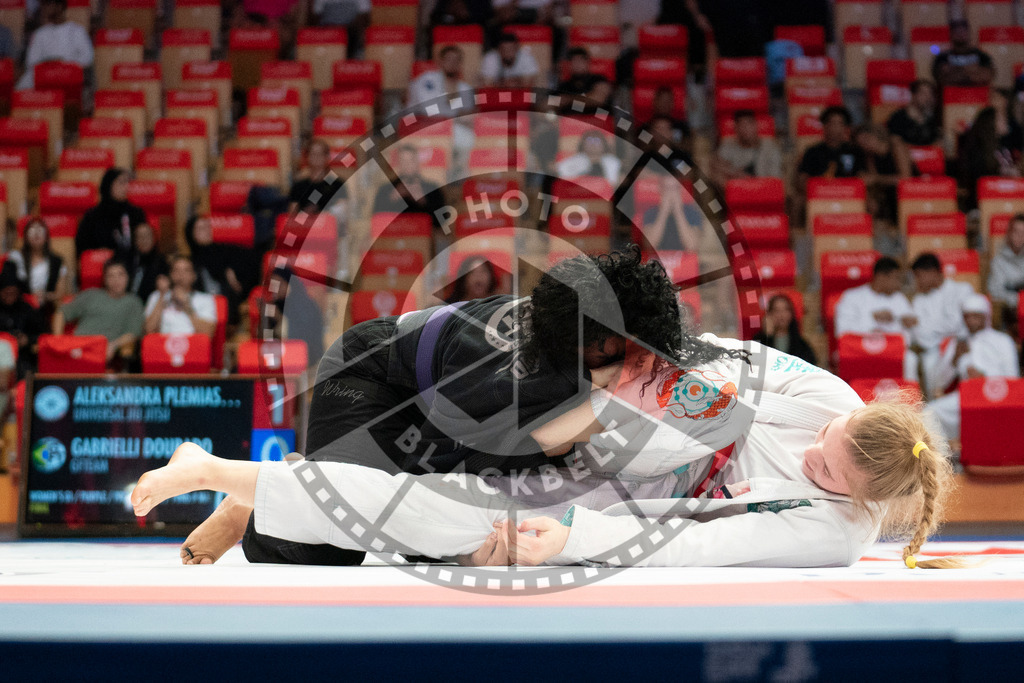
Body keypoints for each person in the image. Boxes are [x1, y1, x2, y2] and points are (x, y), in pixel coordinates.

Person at [134, 333, 957, 570]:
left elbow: (705, 540)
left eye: (826, 466)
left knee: (451, 519)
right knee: (484, 419)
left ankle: (230, 480)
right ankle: (232, 480)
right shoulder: (832, 403)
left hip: (636, 504)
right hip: (653, 420)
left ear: (856, 496)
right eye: (828, 439)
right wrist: (619, 373)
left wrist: (571, 542)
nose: (815, 447)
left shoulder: (831, 532)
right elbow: (718, 362)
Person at [166, 246, 744, 566]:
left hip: (432, 381)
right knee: (337, 541)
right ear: (582, 344)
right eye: (621, 356)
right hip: (369, 376)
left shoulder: (578, 321)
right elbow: (453, 466)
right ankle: (256, 505)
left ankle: (304, 477)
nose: (631, 367)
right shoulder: (525, 376)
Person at [926, 294, 1019, 440]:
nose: (971, 320)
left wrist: (985, 378)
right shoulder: (958, 342)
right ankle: (942, 460)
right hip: (967, 397)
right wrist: (955, 358)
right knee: (929, 412)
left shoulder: (1003, 341)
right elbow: (938, 383)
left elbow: (1013, 379)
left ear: (986, 317)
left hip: (996, 397)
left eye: (976, 316)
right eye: (967, 316)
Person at [834, 256, 918, 381]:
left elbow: (908, 335)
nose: (899, 284)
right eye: (896, 279)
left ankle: (908, 399)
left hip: (892, 350)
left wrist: (906, 324)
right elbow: (841, 331)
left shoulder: (899, 299)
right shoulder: (852, 297)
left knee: (910, 359)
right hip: (858, 350)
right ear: (881, 277)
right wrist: (872, 318)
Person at [52, 258, 144, 368]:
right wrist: (57, 341)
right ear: (105, 279)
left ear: (128, 277)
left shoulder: (133, 302)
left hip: (102, 350)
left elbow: (133, 334)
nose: (116, 280)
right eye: (111, 276)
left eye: (120, 275)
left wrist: (113, 345)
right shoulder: (91, 294)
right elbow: (61, 313)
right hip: (76, 346)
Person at [908, 253, 976, 396]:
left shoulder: (962, 289)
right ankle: (935, 404)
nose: (917, 281)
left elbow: (958, 323)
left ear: (932, 272)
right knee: (929, 363)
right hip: (934, 347)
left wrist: (926, 324)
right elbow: (920, 334)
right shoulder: (920, 299)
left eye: (919, 276)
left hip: (964, 342)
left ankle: (968, 399)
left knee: (964, 358)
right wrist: (940, 328)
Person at [183, 216, 259, 326]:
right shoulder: (188, 262)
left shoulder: (224, 250)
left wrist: (233, 270)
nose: (206, 231)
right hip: (198, 310)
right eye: (200, 228)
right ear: (191, 233)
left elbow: (253, 260)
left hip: (227, 305)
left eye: (207, 227)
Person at [16, 0, 93, 90]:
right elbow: (31, 61)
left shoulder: (77, 31)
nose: (45, 9)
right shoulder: (40, 33)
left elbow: (87, 58)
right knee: (24, 85)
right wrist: (49, 63)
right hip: (45, 75)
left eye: (48, 5)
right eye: (44, 6)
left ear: (60, 7)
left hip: (68, 74)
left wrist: (63, 63)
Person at [75, 168, 147, 260]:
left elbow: (144, 243)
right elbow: (83, 246)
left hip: (131, 264)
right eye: (121, 183)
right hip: (101, 264)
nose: (126, 187)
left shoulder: (136, 213)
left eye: (127, 183)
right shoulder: (93, 216)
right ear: (109, 185)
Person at [853, 123, 914, 224]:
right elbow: (874, 182)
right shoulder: (870, 157)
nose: (865, 145)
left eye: (866, 139)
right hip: (887, 194)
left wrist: (875, 179)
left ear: (875, 134)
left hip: (910, 192)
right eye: (861, 144)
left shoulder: (895, 145)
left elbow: (906, 179)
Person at [264, 266, 324, 367]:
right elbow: (266, 337)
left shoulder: (304, 303)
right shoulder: (278, 304)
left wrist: (279, 318)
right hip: (282, 358)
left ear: (288, 284)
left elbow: (300, 337)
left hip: (308, 361)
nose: (272, 288)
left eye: (277, 284)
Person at [143, 254, 217, 337]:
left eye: (186, 270)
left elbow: (208, 334)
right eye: (176, 270)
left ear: (194, 276)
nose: (181, 275)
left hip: (193, 346)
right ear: (170, 274)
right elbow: (148, 330)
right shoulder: (158, 295)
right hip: (163, 345)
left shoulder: (205, 299)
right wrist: (162, 298)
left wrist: (187, 306)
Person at [7, 217, 69, 311]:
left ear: (46, 236)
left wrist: (46, 296)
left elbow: (60, 293)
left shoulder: (57, 261)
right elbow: (8, 287)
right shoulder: (16, 258)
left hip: (45, 308)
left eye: (40, 230)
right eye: (32, 230)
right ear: (26, 236)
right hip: (19, 308)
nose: (36, 234)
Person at [372, 145, 446, 220]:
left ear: (417, 163)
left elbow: (443, 221)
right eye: (403, 161)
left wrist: (423, 201)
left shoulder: (432, 188)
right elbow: (375, 219)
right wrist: (391, 199)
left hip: (422, 231)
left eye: (411, 160)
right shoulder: (385, 189)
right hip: (395, 230)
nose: (407, 165)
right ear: (398, 164)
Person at [797, 106, 865, 188]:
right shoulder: (812, 151)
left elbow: (862, 177)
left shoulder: (855, 151)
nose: (835, 128)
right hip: (819, 194)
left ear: (846, 128)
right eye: (832, 123)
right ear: (824, 126)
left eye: (840, 123)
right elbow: (803, 178)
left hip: (848, 194)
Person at [714, 109, 783, 184]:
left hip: (763, 189)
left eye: (749, 124)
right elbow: (717, 167)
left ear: (756, 125)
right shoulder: (727, 147)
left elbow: (775, 177)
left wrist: (746, 178)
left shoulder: (770, 148)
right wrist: (736, 174)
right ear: (736, 128)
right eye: (742, 125)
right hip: (736, 190)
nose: (746, 129)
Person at [0, 262, 43, 378]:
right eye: (6, 293)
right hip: (1, 355)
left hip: (24, 356)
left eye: (13, 293)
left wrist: (27, 340)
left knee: (27, 371)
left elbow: (44, 335)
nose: (9, 296)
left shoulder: (26, 309)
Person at [407, 45, 475, 116]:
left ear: (460, 63)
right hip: (419, 119)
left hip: (452, 123)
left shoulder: (465, 88)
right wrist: (456, 114)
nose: (452, 63)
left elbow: (467, 112)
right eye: (449, 59)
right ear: (441, 61)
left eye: (456, 60)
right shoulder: (428, 80)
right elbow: (427, 109)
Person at [641, 172, 700, 252]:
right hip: (659, 260)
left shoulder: (692, 213)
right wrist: (663, 211)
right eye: (667, 188)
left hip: (685, 262)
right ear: (660, 190)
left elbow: (692, 246)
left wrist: (678, 210)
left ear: (681, 190)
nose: (671, 193)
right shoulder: (650, 213)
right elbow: (650, 245)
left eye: (675, 188)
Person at [753, 293, 817, 365]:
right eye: (776, 310)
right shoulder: (759, 341)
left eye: (786, 310)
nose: (782, 314)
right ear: (769, 314)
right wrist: (767, 337)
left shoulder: (801, 344)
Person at [932, 19, 994, 88]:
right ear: (951, 35)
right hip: (949, 95)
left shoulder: (982, 56)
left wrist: (954, 70)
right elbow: (942, 79)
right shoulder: (942, 57)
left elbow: (987, 76)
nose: (960, 34)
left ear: (969, 34)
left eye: (963, 31)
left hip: (977, 95)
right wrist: (972, 71)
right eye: (957, 32)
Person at [988, 214, 1024, 317]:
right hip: (1011, 314)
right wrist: (1020, 300)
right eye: (1016, 232)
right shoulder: (998, 261)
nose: (1020, 236)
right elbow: (995, 292)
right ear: (1009, 233)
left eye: (1023, 232)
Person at [886, 80, 941, 147]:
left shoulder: (932, 120)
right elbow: (893, 142)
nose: (928, 97)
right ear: (913, 95)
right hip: (906, 154)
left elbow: (935, 140)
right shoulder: (898, 118)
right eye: (923, 93)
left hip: (928, 155)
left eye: (930, 94)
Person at [555, 131, 621, 186]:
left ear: (604, 144)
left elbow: (614, 182)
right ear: (582, 144)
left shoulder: (613, 161)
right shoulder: (574, 160)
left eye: (597, 141)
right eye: (589, 140)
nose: (593, 144)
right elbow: (561, 172)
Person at [127, 222, 168, 305]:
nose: (144, 240)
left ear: (154, 238)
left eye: (147, 236)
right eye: (140, 237)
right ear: (134, 240)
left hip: (150, 305)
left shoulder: (162, 262)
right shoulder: (128, 260)